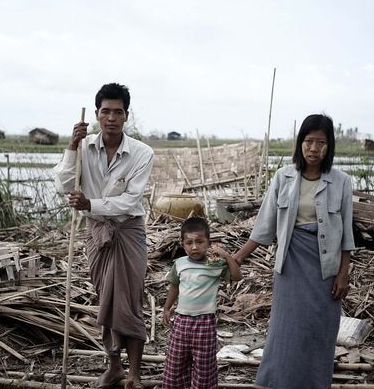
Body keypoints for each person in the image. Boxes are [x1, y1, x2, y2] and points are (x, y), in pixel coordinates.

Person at [233, 113, 355, 389]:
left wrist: (343, 274)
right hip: (290, 264)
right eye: (309, 141)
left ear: (329, 146)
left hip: (326, 267)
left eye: (321, 143)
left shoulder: (342, 182)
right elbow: (265, 226)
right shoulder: (283, 177)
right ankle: (276, 382)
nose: (314, 149)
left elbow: (347, 234)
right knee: (285, 330)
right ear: (300, 143)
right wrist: (238, 257)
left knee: (318, 330)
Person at [53, 83, 154, 389]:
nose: (111, 117)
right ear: (96, 114)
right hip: (97, 232)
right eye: (106, 111)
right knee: (106, 300)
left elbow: (131, 200)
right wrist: (72, 146)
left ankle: (134, 374)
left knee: (131, 300)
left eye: (118, 112)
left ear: (126, 116)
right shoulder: (83, 148)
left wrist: (91, 203)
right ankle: (114, 368)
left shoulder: (141, 153)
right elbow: (62, 184)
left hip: (128, 231)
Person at [162, 217, 243, 389]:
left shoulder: (215, 264)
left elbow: (237, 276)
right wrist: (167, 308)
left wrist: (227, 256)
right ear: (183, 243)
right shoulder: (180, 264)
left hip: (205, 322)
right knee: (175, 364)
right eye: (189, 242)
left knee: (204, 367)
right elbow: (174, 286)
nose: (194, 247)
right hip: (181, 321)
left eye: (199, 242)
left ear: (208, 242)